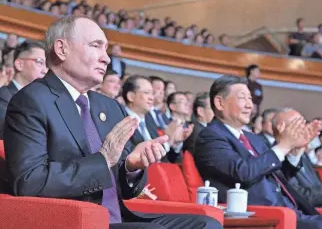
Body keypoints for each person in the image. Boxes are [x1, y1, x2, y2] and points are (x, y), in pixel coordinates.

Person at [4, 16, 221, 229]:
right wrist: (103, 159)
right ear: (62, 49)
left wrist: (131, 166)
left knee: (206, 224)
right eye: (96, 46)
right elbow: (30, 182)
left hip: (120, 217)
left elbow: (126, 190)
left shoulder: (108, 106)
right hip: (76, 220)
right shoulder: (31, 101)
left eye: (106, 49)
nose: (106, 58)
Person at [194, 74, 322, 229]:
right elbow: (243, 173)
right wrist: (284, 145)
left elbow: (277, 175)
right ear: (220, 103)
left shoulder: (252, 138)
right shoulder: (210, 137)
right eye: (242, 98)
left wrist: (295, 151)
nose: (249, 105)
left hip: (292, 211)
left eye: (250, 99)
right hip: (263, 217)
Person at [272, 108, 322, 210]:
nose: (304, 128)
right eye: (298, 124)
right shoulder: (275, 157)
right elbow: (299, 197)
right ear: (281, 127)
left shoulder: (302, 156)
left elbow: (316, 187)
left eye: (304, 124)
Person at [122, 75, 193, 164]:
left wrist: (175, 142)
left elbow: (167, 161)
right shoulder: (121, 120)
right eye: (147, 92)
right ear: (131, 96)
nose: (152, 97)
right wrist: (168, 142)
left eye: (152, 93)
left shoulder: (150, 121)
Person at [0, 41, 46, 139]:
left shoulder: (44, 101)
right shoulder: (4, 96)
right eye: (40, 62)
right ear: (19, 64)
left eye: (47, 65)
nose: (45, 70)